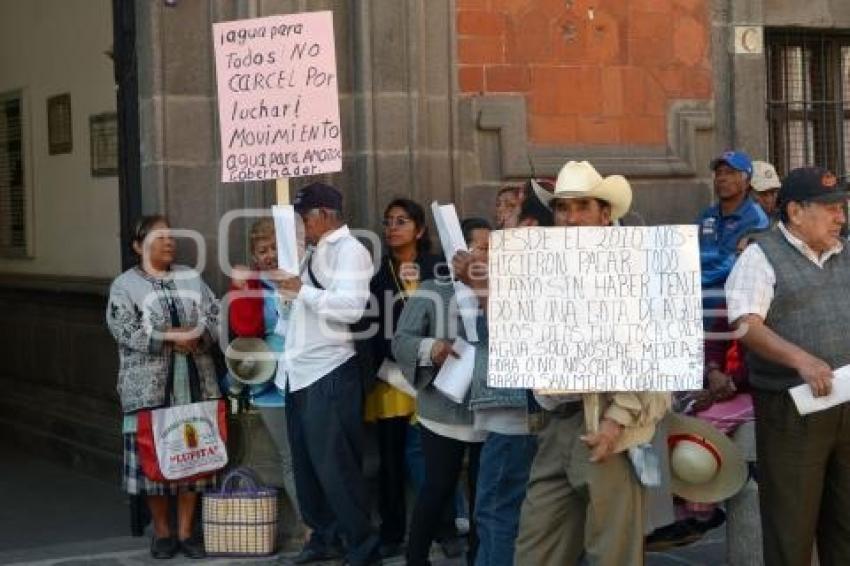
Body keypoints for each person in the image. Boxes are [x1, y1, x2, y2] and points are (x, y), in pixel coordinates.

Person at [513, 161, 671, 565]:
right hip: (556, 425)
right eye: (563, 209)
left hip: (609, 429)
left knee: (612, 554)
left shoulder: (638, 264)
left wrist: (615, 422)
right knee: (536, 551)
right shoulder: (547, 264)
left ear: (605, 214)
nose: (570, 218)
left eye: (582, 207)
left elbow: (652, 352)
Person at [726, 167, 850, 566]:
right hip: (791, 409)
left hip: (846, 403)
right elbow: (745, 323)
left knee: (845, 522)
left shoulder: (845, 252)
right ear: (795, 212)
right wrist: (801, 359)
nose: (841, 218)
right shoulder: (760, 256)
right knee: (790, 526)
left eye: (842, 208)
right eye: (831, 208)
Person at [274, 183, 380, 566]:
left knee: (337, 467)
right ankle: (325, 536)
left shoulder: (350, 251)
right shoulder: (312, 254)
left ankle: (362, 545)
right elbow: (299, 307)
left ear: (324, 215)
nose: (302, 226)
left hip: (330, 369)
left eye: (305, 218)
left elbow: (350, 310)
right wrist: (289, 291)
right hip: (299, 370)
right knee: (307, 466)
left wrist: (301, 291)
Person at [106, 215, 221, 560]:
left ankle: (187, 531)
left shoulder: (190, 277)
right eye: (159, 238)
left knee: (192, 453)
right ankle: (162, 531)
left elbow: (215, 313)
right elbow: (123, 328)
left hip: (194, 379)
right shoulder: (124, 285)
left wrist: (200, 336)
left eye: (171, 237)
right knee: (153, 458)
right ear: (138, 246)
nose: (169, 243)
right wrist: (171, 338)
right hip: (148, 386)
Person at [392, 218, 493, 566]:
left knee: (485, 497)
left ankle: (479, 558)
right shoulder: (433, 290)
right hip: (442, 412)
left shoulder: (501, 293)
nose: (487, 254)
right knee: (437, 489)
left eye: (492, 249)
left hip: (491, 411)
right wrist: (432, 347)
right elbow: (402, 340)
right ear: (459, 251)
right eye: (480, 247)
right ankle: (416, 557)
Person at [361, 198, 443, 558]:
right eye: (388, 221)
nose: (392, 227)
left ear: (420, 229)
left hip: (434, 376)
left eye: (402, 221)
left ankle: (444, 527)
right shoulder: (378, 275)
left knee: (435, 459)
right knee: (390, 460)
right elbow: (371, 325)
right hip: (392, 379)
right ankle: (393, 531)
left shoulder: (436, 268)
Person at [226, 217, 302, 530]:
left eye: (273, 247)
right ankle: (309, 527)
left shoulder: (303, 275)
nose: (268, 255)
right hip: (270, 381)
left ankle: (328, 527)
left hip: (308, 374)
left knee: (317, 456)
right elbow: (246, 329)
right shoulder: (253, 283)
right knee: (291, 458)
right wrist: (241, 289)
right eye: (261, 250)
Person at [697, 151, 769, 300]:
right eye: (718, 173)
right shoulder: (707, 215)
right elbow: (688, 252)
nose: (722, 178)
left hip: (735, 304)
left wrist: (695, 278)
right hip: (700, 301)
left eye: (730, 173)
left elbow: (736, 264)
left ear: (747, 181)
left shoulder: (756, 219)